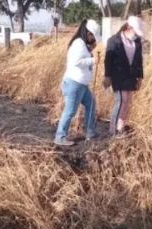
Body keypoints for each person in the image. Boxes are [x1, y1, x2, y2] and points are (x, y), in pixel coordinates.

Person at [54, 19, 100, 147]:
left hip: (81, 84)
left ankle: (90, 132)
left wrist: (90, 52)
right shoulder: (78, 43)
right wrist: (92, 60)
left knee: (91, 104)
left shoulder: (83, 44)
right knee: (70, 111)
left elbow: (84, 59)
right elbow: (77, 62)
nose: (92, 38)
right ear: (87, 32)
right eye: (91, 35)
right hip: (74, 83)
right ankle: (60, 136)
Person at [103, 15, 144, 138]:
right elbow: (108, 60)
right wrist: (107, 76)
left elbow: (139, 60)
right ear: (128, 27)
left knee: (127, 102)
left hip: (131, 76)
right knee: (120, 101)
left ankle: (121, 127)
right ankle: (113, 130)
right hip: (118, 76)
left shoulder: (137, 41)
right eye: (135, 31)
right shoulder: (114, 40)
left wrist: (140, 77)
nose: (136, 34)